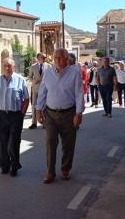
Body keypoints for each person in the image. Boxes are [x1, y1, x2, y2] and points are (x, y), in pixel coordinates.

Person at [36, 48, 85, 184]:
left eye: (60, 57)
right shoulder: (48, 73)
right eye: (55, 57)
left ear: (67, 59)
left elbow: (79, 94)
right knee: (50, 142)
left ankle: (65, 169)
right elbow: (42, 92)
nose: (57, 60)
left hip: (69, 114)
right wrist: (38, 110)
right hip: (50, 114)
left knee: (68, 144)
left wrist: (78, 113)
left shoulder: (74, 73)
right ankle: (50, 172)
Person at [0, 58, 29, 177]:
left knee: (13, 142)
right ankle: (4, 166)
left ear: (14, 67)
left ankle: (14, 165)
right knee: (2, 142)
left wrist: (22, 114)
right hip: (2, 114)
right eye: (5, 66)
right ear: (2, 67)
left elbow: (26, 99)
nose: (7, 68)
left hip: (16, 115)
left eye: (9, 66)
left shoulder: (20, 80)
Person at [28, 52, 51, 129]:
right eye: (43, 57)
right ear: (38, 58)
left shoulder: (49, 66)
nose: (44, 58)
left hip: (46, 89)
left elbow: (52, 77)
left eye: (45, 57)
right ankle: (34, 123)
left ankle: (45, 122)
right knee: (34, 105)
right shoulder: (33, 67)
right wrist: (34, 81)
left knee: (45, 106)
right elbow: (30, 77)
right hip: (36, 89)